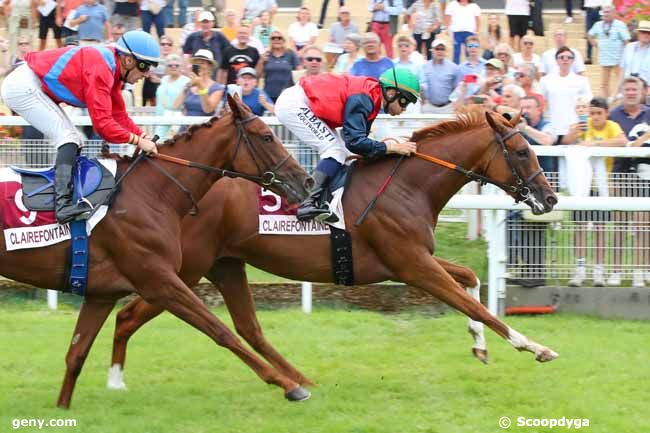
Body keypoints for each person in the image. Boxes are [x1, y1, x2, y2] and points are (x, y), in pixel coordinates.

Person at [0, 30, 160, 224]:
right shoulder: (102, 68)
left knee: (74, 139)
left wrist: (143, 135)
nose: (146, 74)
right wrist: (137, 141)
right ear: (128, 60)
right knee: (68, 138)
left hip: (31, 83)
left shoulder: (113, 69)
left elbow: (118, 115)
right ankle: (63, 206)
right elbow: (102, 125)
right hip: (23, 87)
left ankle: (67, 197)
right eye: (145, 67)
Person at [275, 68, 420, 222]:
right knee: (334, 150)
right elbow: (355, 142)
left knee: (341, 152)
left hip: (303, 103)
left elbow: (358, 145)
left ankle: (328, 201)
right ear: (391, 93)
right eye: (405, 101)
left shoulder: (372, 96)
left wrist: (387, 147)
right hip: (295, 104)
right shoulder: (365, 98)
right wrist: (391, 147)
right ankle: (309, 202)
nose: (404, 109)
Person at [563, 97, 626, 287]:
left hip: (602, 186)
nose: (595, 117)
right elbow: (566, 141)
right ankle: (579, 269)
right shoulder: (583, 125)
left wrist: (595, 145)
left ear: (606, 113)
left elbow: (623, 141)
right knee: (580, 227)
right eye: (592, 113)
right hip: (582, 185)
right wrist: (574, 133)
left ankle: (598, 270)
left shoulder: (612, 126)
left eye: (599, 113)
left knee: (600, 228)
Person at [587, 4, 630, 98]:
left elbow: (627, 41)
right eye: (604, 12)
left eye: (608, 12)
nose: (606, 14)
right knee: (604, 84)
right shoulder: (597, 25)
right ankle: (607, 104)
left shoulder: (620, 25)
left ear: (614, 13)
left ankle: (619, 101)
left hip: (618, 60)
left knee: (622, 82)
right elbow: (589, 35)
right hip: (604, 59)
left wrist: (626, 55)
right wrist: (596, 44)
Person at [174, 49, 224, 126]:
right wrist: (187, 87)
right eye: (196, 63)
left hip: (204, 130)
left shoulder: (218, 88)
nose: (199, 66)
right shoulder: (189, 85)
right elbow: (175, 106)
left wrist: (200, 85)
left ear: (210, 66)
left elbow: (207, 109)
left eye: (202, 63)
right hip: (186, 128)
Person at [419, 38, 461, 113]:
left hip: (447, 108)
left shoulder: (454, 68)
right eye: (437, 49)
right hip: (429, 107)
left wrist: (455, 104)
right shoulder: (424, 67)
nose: (440, 51)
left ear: (446, 51)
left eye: (442, 49)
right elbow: (421, 87)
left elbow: (457, 88)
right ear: (432, 50)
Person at [154, 53, 189, 138]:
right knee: (157, 142)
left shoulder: (186, 81)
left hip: (176, 119)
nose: (173, 67)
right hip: (160, 117)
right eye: (170, 65)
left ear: (181, 67)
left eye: (177, 65)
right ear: (166, 67)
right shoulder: (164, 79)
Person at [261, 30, 301, 103]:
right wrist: (261, 61)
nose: (276, 40)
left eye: (279, 38)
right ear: (270, 41)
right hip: (269, 94)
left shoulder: (290, 53)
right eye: (273, 38)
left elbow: (299, 73)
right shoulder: (266, 55)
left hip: (288, 95)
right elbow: (258, 74)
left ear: (284, 40)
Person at [444, 0, 481, 64]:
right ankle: (456, 70)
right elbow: (447, 18)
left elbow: (478, 19)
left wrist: (476, 32)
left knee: (469, 52)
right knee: (456, 52)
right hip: (456, 32)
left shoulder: (474, 6)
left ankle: (470, 67)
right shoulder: (452, 4)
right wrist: (447, 30)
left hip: (469, 33)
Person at [619, 20, 650, 87]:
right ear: (638, 33)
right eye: (643, 32)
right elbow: (622, 71)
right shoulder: (629, 47)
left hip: (646, 90)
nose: (646, 35)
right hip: (628, 88)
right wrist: (615, 93)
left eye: (648, 33)